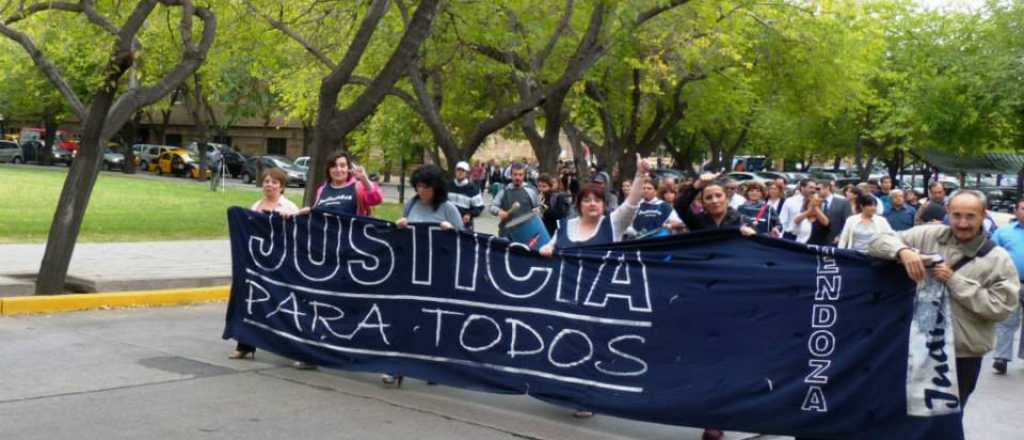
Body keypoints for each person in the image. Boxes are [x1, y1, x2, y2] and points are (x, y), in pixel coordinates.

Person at [867, 190, 1020, 407]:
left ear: (984, 215)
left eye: (970, 216)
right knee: (901, 419)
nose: (963, 223)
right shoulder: (927, 235)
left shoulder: (998, 259)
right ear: (947, 212)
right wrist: (902, 250)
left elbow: (1001, 308)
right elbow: (876, 240)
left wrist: (955, 281)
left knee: (945, 425)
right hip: (913, 351)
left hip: (960, 358)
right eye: (957, 215)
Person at [228, 168, 299, 360]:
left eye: (274, 182)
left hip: (278, 266)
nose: (269, 185)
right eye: (267, 181)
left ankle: (293, 348)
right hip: (257, 263)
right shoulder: (256, 205)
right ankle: (245, 345)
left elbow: (296, 236)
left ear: (282, 187)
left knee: (282, 306)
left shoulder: (289, 207)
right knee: (251, 303)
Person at [295, 151, 383, 217]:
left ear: (348, 168)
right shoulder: (322, 190)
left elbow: (377, 199)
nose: (338, 169)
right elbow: (316, 214)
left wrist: (364, 179)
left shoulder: (358, 187)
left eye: (342, 165)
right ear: (328, 170)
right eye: (334, 166)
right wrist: (308, 211)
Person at [992, 199, 1024, 375]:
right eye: (1023, 208)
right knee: (1006, 320)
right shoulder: (1003, 232)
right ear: (1016, 211)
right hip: (1011, 282)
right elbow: (992, 255)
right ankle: (1001, 358)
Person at [674, 173, 757, 235]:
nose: (714, 201)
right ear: (703, 203)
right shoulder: (697, 221)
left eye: (718, 196)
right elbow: (680, 206)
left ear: (727, 199)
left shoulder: (741, 221)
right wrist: (697, 185)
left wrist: (752, 235)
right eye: (708, 198)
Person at [489, 163, 542, 240]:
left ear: (524, 175)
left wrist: (538, 210)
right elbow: (492, 207)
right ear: (511, 175)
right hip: (506, 232)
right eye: (515, 174)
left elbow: (539, 208)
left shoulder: (531, 190)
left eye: (520, 175)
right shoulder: (504, 190)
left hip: (526, 232)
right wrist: (499, 212)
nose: (517, 177)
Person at [447, 161, 485, 231]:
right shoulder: (448, 186)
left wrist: (469, 214)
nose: (460, 172)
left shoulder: (473, 188)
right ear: (455, 171)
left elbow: (480, 207)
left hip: (465, 224)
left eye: (463, 170)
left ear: (467, 173)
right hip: (449, 223)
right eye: (458, 170)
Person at [818, 180, 852, 245]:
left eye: (818, 189)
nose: (816, 191)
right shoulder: (815, 202)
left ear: (827, 188)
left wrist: (840, 236)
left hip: (835, 239)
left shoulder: (843, 202)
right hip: (818, 239)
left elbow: (848, 222)